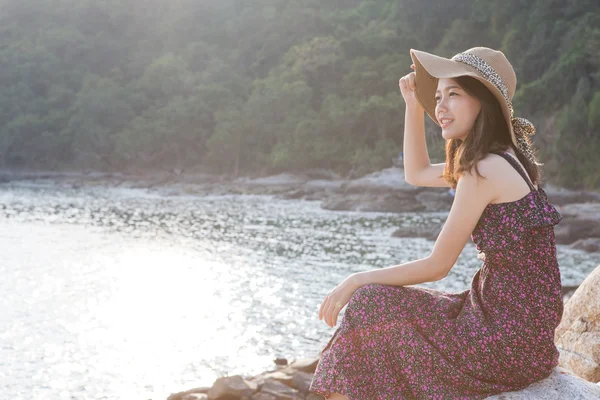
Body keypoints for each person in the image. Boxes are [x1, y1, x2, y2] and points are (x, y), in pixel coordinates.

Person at [308, 47, 563, 399]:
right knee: (379, 309)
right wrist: (413, 104)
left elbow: (437, 265)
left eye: (453, 95)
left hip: (504, 340)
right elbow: (415, 173)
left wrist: (356, 279)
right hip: (519, 331)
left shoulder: (484, 170)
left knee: (370, 301)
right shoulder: (506, 158)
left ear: (483, 102)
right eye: (437, 97)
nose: (440, 108)